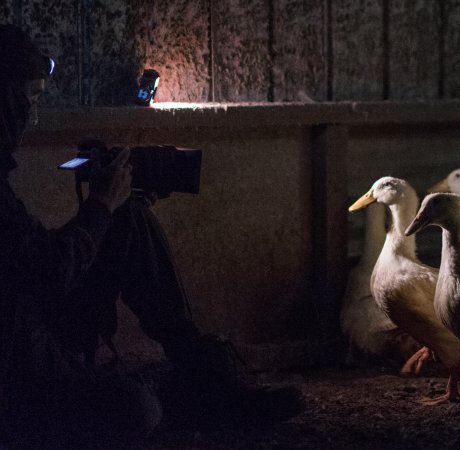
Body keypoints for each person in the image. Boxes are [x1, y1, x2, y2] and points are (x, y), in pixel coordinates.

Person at [0, 25, 302, 446]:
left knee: (127, 221)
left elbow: (32, 262)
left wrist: (109, 210)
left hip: (29, 328)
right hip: (17, 364)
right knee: (138, 408)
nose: (31, 119)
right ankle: (186, 398)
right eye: (29, 99)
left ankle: (205, 376)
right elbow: (50, 272)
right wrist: (99, 205)